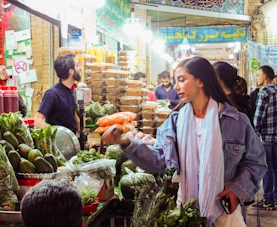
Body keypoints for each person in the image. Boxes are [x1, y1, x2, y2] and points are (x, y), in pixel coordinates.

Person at [102, 56, 267, 226]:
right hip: (187, 207)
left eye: (181, 80)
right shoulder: (175, 122)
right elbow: (159, 159)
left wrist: (236, 191)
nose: (176, 87)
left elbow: (256, 162)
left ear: (200, 81)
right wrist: (125, 142)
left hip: (225, 209)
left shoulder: (237, 122)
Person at [253, 65, 277, 210]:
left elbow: (258, 117)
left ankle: (268, 200)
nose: (257, 77)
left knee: (267, 169)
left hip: (265, 137)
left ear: (265, 77)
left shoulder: (264, 92)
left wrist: (255, 131)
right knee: (276, 168)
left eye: (259, 75)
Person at [34, 53, 81, 135]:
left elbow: (73, 114)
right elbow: (38, 120)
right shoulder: (52, 94)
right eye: (77, 65)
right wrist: (57, 135)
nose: (80, 68)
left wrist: (81, 133)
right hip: (59, 144)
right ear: (71, 71)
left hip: (71, 142)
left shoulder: (70, 91)